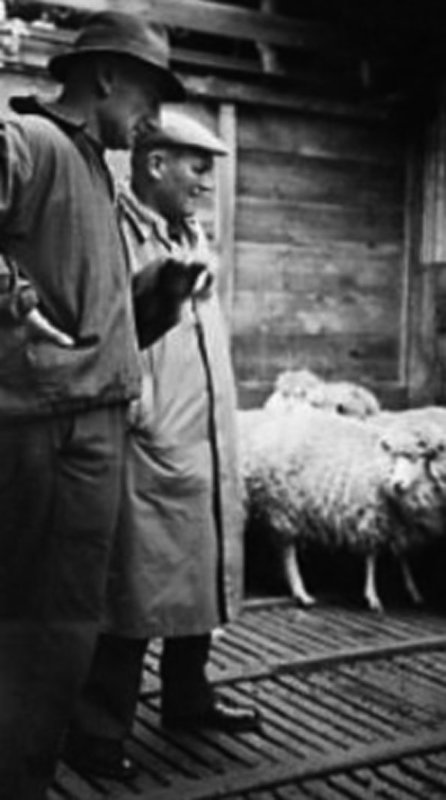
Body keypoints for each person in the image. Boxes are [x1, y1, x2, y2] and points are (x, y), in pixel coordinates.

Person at [0, 12, 185, 800]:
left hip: (91, 421)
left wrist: (154, 299)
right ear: (106, 75)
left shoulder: (95, 169)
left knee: (64, 635)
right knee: (32, 633)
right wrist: (9, 292)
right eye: (150, 93)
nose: (154, 117)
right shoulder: (33, 141)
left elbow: (81, 311)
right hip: (43, 425)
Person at [64, 109, 261, 780]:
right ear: (155, 164)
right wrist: (141, 411)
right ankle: (96, 731)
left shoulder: (188, 230)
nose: (206, 181)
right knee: (133, 585)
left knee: (199, 571)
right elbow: (107, 323)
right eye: (197, 167)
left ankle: (188, 698)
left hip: (202, 436)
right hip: (150, 438)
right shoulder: (115, 231)